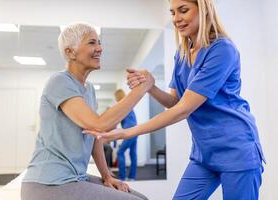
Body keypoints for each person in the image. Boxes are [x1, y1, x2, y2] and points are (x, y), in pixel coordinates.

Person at [85, 0, 266, 199]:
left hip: (236, 149)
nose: (176, 19)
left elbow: (183, 110)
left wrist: (126, 133)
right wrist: (151, 86)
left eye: (183, 10)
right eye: (172, 13)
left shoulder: (222, 50)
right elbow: (175, 102)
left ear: (204, 10)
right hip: (204, 153)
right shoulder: (182, 53)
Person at [21, 22, 150, 200]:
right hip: (49, 183)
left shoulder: (89, 89)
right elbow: (99, 124)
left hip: (75, 178)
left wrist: (107, 176)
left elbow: (95, 134)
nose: (99, 48)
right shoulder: (59, 81)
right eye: (91, 43)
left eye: (99, 42)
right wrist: (142, 89)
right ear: (70, 52)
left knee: (141, 197)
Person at [114, 89, 138, 181]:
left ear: (117, 97)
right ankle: (132, 177)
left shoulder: (121, 105)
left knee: (120, 152)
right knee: (133, 153)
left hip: (129, 131)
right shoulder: (129, 104)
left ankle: (122, 177)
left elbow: (116, 120)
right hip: (136, 130)